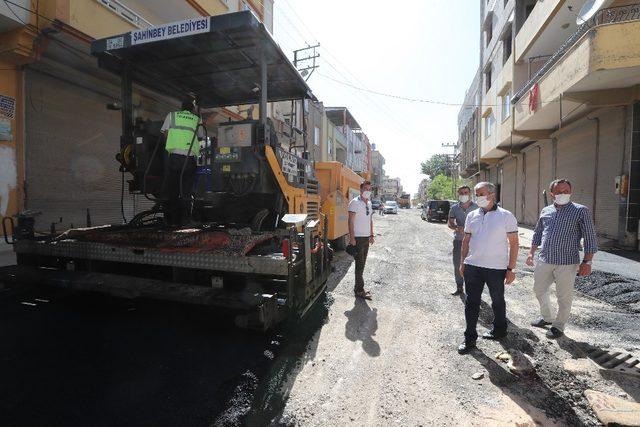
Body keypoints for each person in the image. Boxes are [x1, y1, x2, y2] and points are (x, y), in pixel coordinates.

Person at [526, 179, 598, 339]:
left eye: (566, 191)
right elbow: (538, 233)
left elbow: (590, 237)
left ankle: (558, 326)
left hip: (567, 262)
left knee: (563, 296)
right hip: (545, 258)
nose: (563, 194)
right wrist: (531, 253)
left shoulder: (581, 211)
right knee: (539, 289)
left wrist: (587, 261)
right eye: (559, 192)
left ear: (571, 192)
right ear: (552, 194)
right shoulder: (546, 211)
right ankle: (548, 317)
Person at [457, 182, 519, 355]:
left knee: (497, 301)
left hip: (496, 268)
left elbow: (514, 243)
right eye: (476, 194)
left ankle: (500, 329)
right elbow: (466, 241)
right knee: (471, 303)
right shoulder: (472, 215)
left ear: (491, 194)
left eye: (480, 194)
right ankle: (470, 339)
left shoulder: (506, 216)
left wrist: (511, 269)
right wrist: (463, 262)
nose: (477, 197)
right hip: (473, 266)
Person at [160, 98, 203, 226]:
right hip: (189, 160)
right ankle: (185, 220)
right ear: (193, 109)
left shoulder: (172, 115)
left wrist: (174, 144)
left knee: (171, 190)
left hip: (174, 158)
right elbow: (200, 137)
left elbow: (165, 133)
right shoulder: (197, 119)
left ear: (181, 107)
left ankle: (170, 220)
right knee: (186, 191)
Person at [448, 185, 478, 296]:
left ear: (469, 194)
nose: (464, 195)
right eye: (461, 193)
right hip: (459, 241)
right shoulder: (454, 208)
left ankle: (473, 289)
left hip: (474, 242)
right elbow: (449, 223)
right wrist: (456, 227)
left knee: (473, 265)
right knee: (457, 264)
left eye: (466, 192)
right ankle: (459, 287)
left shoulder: (477, 208)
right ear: (458, 194)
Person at [348, 181, 375, 300]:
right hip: (358, 238)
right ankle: (359, 290)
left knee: (362, 264)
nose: (367, 191)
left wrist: (371, 235)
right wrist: (352, 238)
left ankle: (357, 287)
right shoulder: (354, 203)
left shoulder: (369, 203)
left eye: (369, 189)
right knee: (359, 265)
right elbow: (350, 221)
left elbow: (370, 220)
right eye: (365, 189)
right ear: (361, 190)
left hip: (366, 238)